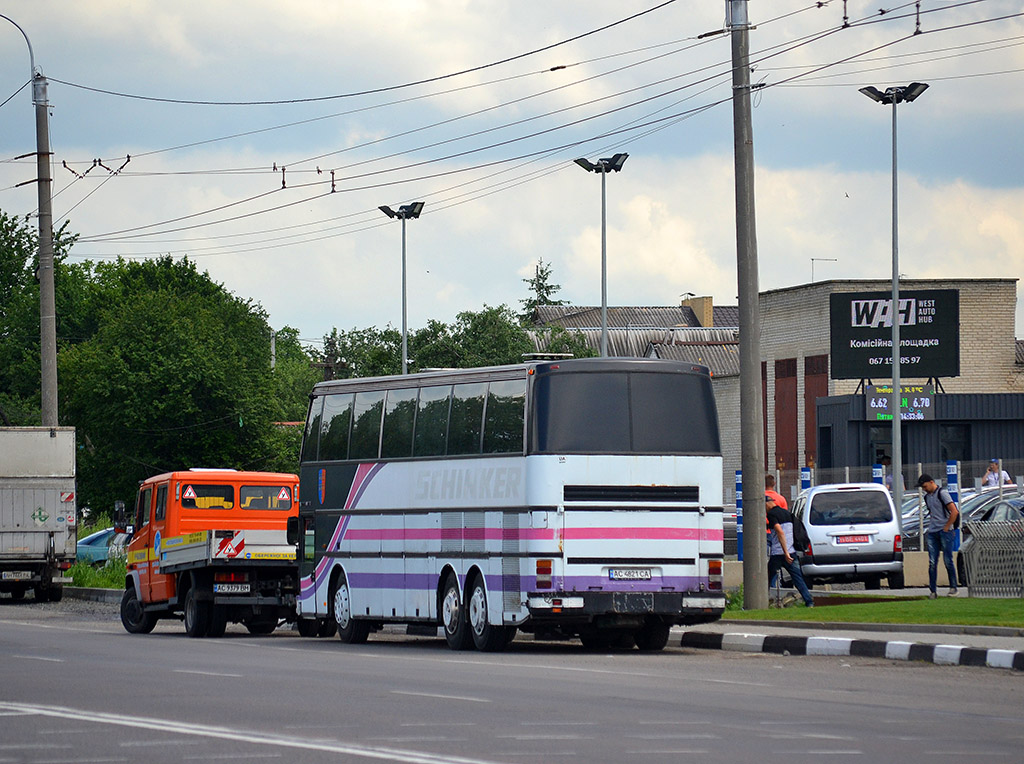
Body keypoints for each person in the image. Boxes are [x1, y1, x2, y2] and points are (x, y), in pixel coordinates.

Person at [765, 494, 814, 607]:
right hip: (792, 552)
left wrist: (785, 552)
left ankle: (763, 600)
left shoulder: (772, 514)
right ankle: (809, 602)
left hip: (779, 553)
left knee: (768, 577)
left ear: (767, 503)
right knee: (798, 579)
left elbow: (780, 531)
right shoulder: (787, 513)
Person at [916, 474, 960, 598]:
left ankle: (953, 587)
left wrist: (947, 527)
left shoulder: (942, 493)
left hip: (945, 531)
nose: (924, 489)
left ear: (931, 482)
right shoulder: (927, 497)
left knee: (948, 560)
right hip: (933, 531)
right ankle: (933, 590)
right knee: (932, 562)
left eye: (925, 486)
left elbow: (954, 511)